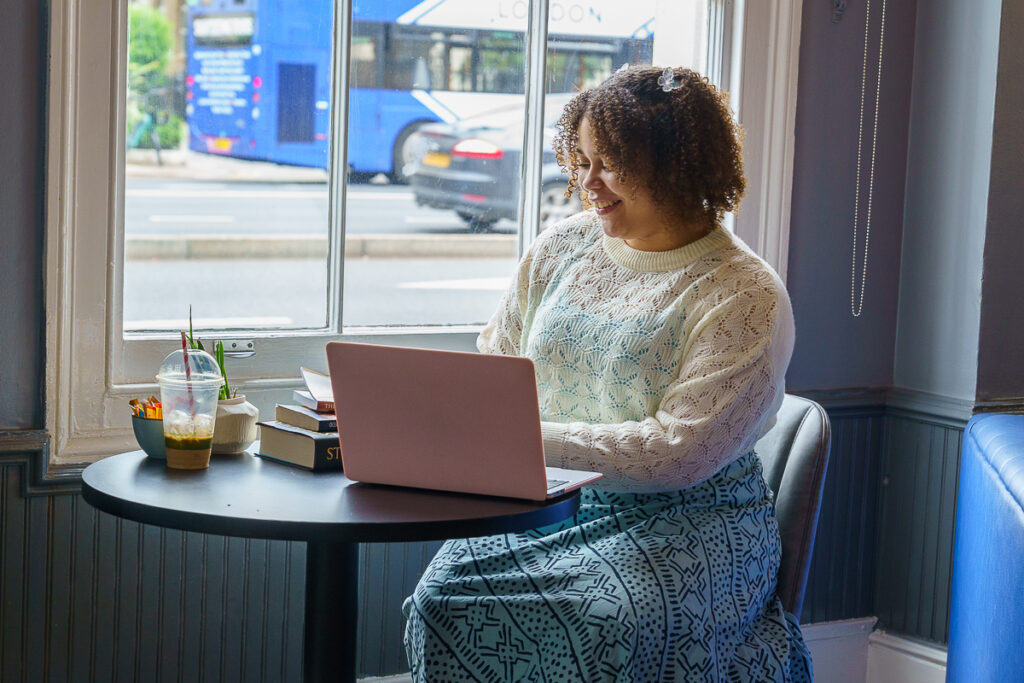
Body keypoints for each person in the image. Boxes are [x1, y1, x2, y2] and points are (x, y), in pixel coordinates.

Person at [402, 65, 813, 682]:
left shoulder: (744, 293)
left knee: (608, 626)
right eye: (582, 159)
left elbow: (680, 453)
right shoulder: (561, 248)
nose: (586, 184)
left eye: (610, 163)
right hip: (539, 505)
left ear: (675, 164)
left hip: (690, 521)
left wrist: (520, 442)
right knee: (441, 602)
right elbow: (498, 363)